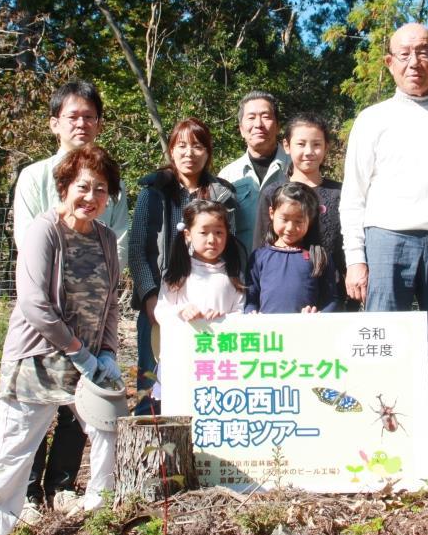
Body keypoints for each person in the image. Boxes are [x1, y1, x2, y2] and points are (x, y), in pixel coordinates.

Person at [339, 23, 428, 492]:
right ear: (389, 63)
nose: (414, 63)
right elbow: (353, 196)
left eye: (424, 53)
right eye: (403, 54)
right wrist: (356, 258)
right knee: (380, 349)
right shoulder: (372, 119)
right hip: (386, 242)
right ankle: (380, 456)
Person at [0, 145, 123, 535]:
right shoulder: (45, 229)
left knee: (107, 429)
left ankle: (99, 516)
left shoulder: (106, 239)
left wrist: (106, 352)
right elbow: (34, 302)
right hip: (39, 356)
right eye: (83, 187)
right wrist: (77, 350)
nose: (91, 198)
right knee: (15, 448)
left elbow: (110, 302)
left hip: (88, 359)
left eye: (101, 190)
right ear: (65, 186)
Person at [11, 80, 129, 516]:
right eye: (72, 115)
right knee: (35, 403)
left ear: (99, 123)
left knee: (81, 405)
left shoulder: (107, 175)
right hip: (44, 311)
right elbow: (29, 242)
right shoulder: (33, 176)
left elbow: (117, 239)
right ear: (54, 123)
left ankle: (62, 484)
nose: (81, 123)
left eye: (89, 116)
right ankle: (24, 494)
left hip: (92, 306)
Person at [128, 118, 238, 414]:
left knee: (210, 384)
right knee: (154, 387)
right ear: (172, 150)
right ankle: (152, 455)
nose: (190, 153)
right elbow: (138, 248)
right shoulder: (153, 191)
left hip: (211, 307)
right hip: (162, 302)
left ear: (208, 152)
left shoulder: (222, 195)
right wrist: (151, 297)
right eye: (182, 145)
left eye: (198, 145)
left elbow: (233, 250)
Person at [252, 113, 350, 308]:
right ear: (287, 146)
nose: (309, 151)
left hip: (334, 294)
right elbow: (260, 247)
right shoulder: (273, 193)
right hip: (283, 297)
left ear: (326, 147)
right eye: (301, 144)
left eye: (316, 144)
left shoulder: (341, 193)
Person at [246, 182, 339, 314]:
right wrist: (251, 313)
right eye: (284, 219)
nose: (290, 228)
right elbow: (250, 299)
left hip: (305, 332)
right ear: (271, 213)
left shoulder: (319, 256)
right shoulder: (258, 257)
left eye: (299, 221)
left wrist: (319, 316)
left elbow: (332, 300)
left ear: (310, 219)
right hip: (269, 333)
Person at [218, 91, 290, 257]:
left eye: (266, 116)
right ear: (241, 129)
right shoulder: (227, 175)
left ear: (278, 126)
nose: (258, 124)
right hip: (240, 274)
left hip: (286, 271)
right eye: (251, 117)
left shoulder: (295, 168)